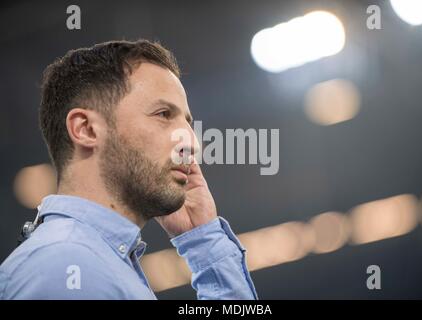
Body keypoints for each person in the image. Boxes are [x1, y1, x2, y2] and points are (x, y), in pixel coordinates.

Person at [0, 40, 258, 300]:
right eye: (163, 114)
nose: (192, 142)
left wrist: (203, 241)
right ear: (86, 129)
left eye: (187, 123)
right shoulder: (66, 267)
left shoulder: (91, 262)